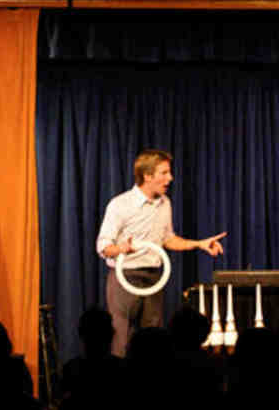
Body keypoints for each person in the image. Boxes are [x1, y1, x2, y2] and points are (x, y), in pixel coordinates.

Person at [96, 148, 226, 357]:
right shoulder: (120, 205)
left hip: (154, 278)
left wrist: (199, 244)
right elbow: (103, 246)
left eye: (169, 172)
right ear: (147, 176)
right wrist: (121, 249)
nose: (170, 178)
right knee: (121, 338)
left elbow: (168, 239)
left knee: (153, 339)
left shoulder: (165, 203)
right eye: (164, 173)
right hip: (125, 277)